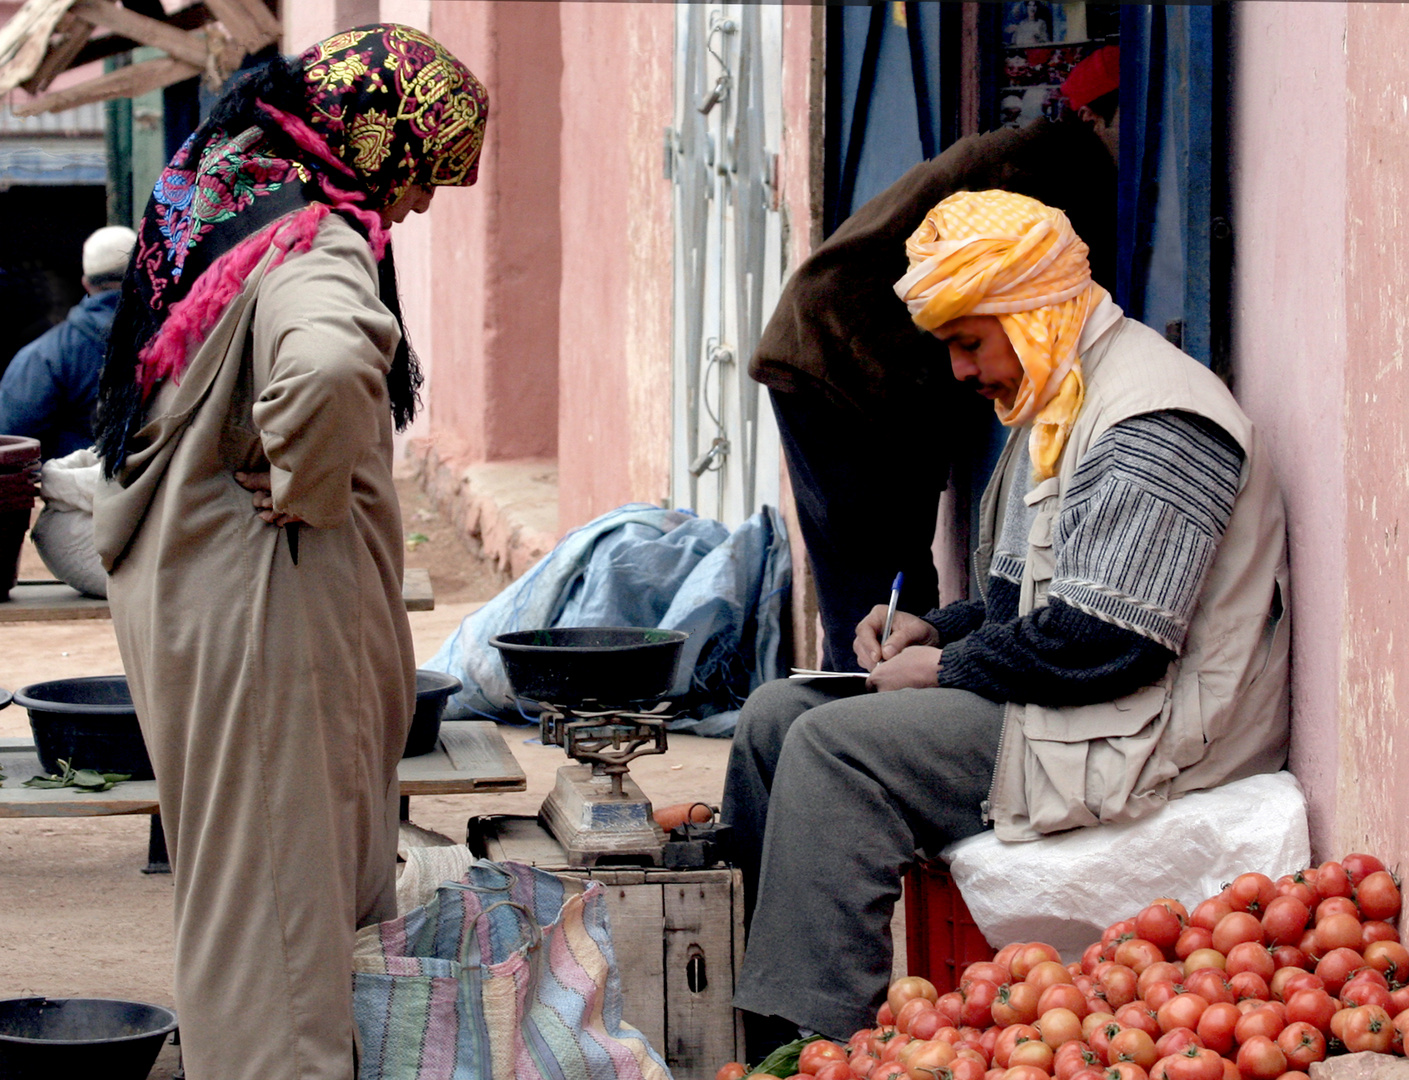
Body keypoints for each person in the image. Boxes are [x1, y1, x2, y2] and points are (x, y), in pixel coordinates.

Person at [724, 190, 1289, 1046]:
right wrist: (935, 630)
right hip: (1081, 696)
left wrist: (945, 671)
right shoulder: (1056, 389)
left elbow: (1110, 644)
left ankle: (816, 1045)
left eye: (966, 344)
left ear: (1029, 315)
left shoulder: (1157, 413)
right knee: (775, 716)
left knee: (836, 750)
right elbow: (1029, 604)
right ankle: (756, 1020)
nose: (958, 371)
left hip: (1157, 723)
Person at [91, 25, 488, 1080]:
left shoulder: (226, 174)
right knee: (281, 927)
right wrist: (306, 485)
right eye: (423, 180)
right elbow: (320, 367)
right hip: (258, 617)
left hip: (193, 594)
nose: (417, 208)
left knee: (245, 899)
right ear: (382, 145)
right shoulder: (316, 238)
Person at [749, 116, 1116, 671]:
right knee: (875, 591)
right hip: (836, 364)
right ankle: (858, 722)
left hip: (834, 355)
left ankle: (860, 714)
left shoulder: (1011, 160)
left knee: (889, 588)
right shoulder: (1042, 175)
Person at [0, 225, 136, 459]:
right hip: (167, 490)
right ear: (143, 275)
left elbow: (9, 441)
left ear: (85, 283)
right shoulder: (185, 341)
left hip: (81, 489)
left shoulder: (44, 356)